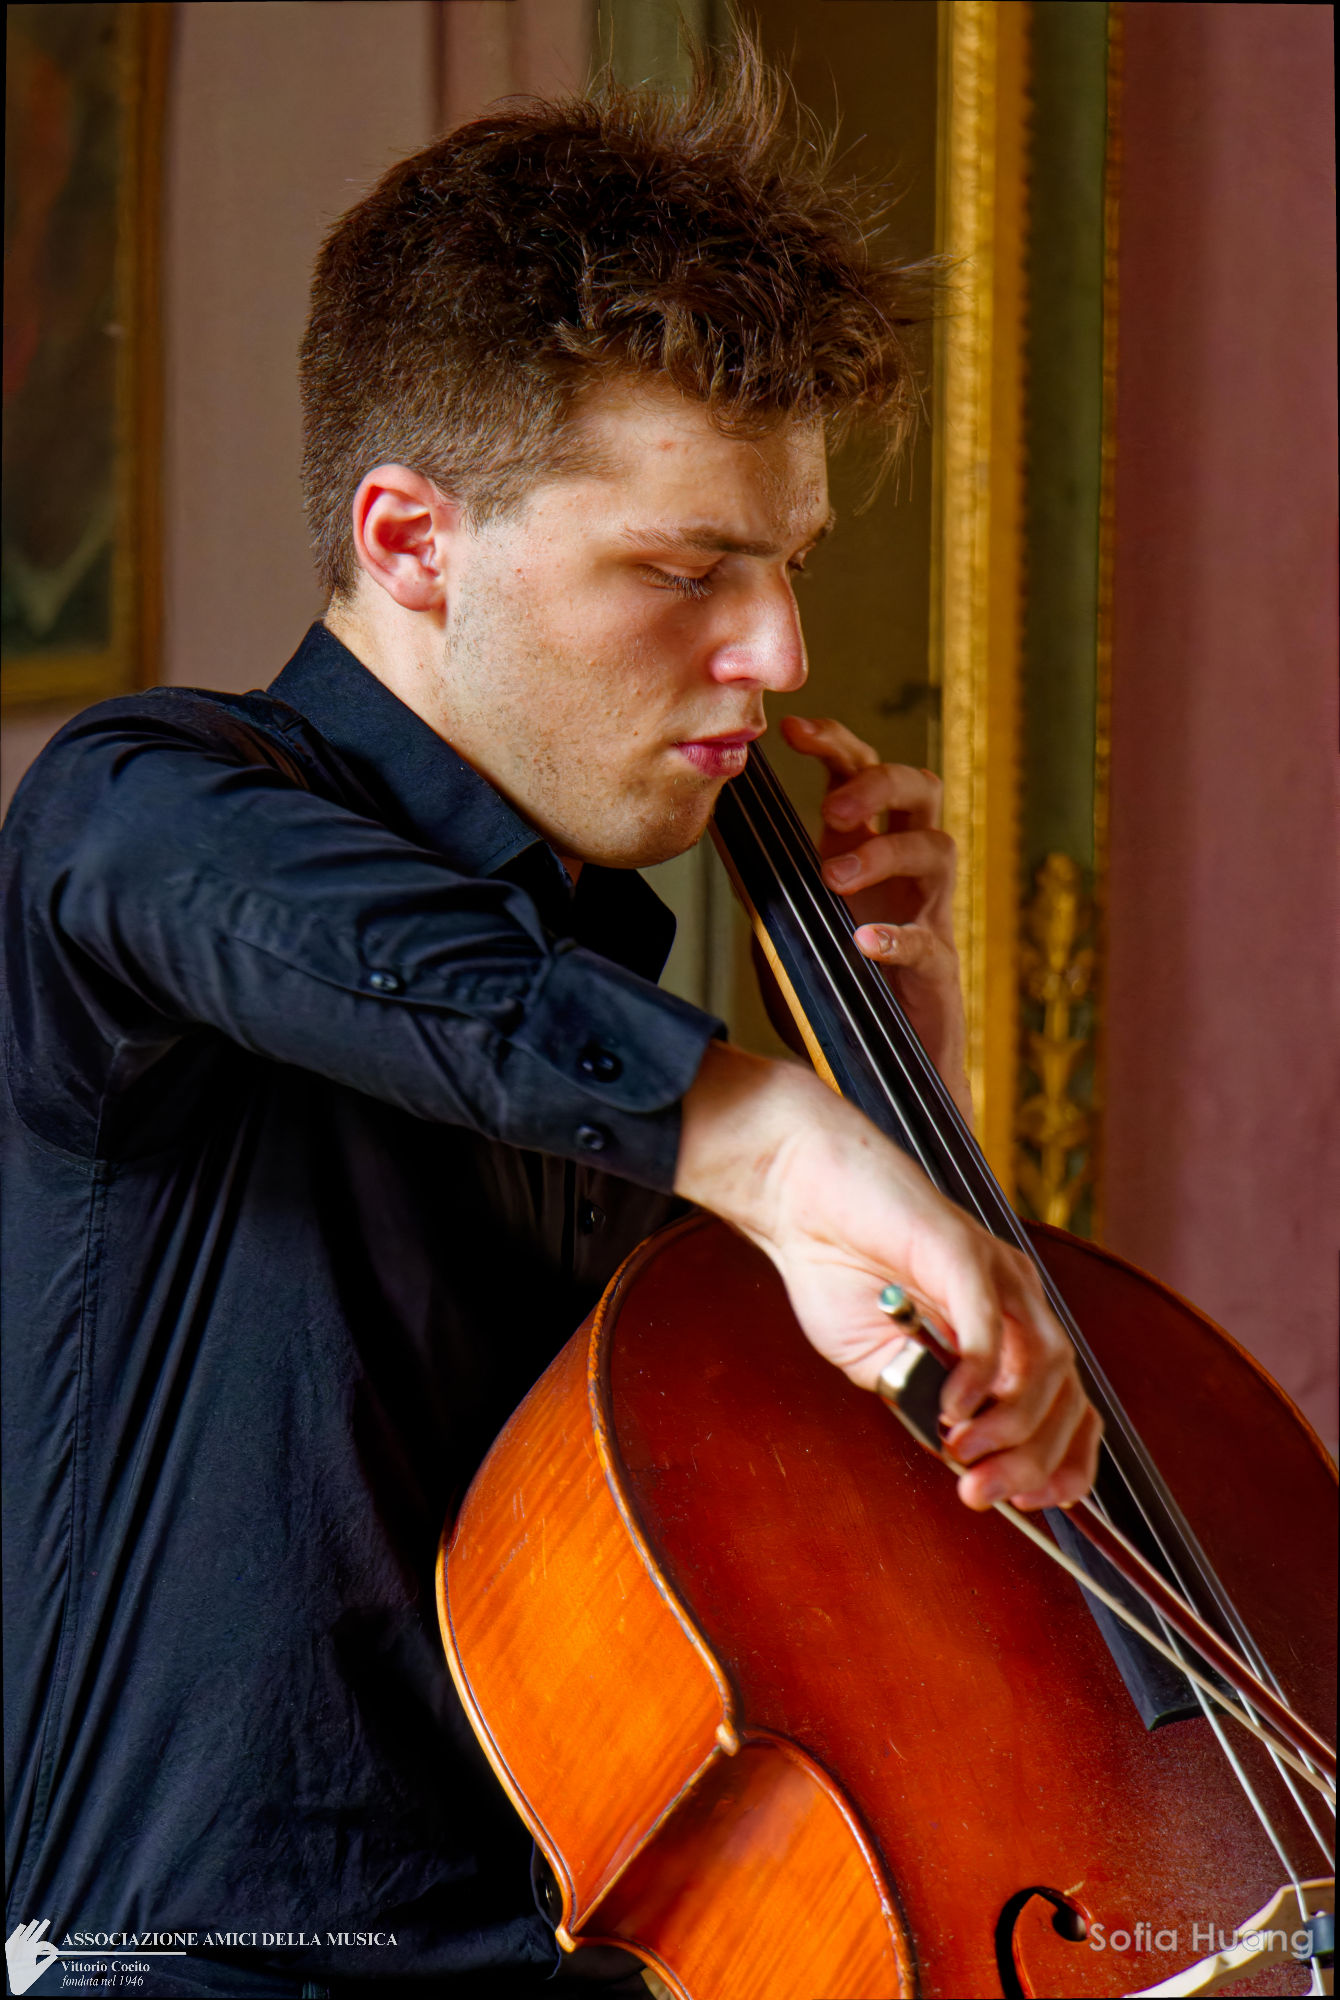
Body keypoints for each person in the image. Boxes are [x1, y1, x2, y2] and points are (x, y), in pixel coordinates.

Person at [1, 41, 1100, 2000]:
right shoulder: (147, 812)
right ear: (410, 541)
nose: (776, 650)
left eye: (784, 564)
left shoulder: (607, 977)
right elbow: (200, 881)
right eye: (682, 569)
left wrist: (896, 1101)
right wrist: (772, 1135)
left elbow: (753, 1586)